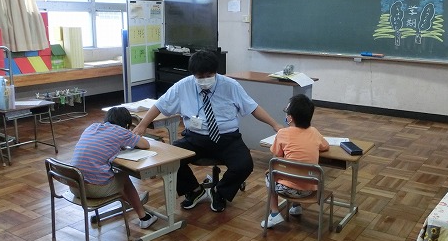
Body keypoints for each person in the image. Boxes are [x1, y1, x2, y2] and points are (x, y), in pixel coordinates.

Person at [134, 49, 282, 212]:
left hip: (228, 139)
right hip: (194, 138)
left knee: (244, 164)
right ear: (193, 74)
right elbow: (160, 105)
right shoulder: (183, 86)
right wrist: (142, 125)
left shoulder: (231, 85)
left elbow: (253, 108)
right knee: (171, 159)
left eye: (209, 75)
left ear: (215, 72)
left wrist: (275, 125)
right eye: (200, 76)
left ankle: (220, 192)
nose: (204, 80)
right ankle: (194, 191)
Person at [71, 106, 156, 228]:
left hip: (75, 186)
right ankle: (144, 217)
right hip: (94, 190)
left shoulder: (92, 127)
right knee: (124, 177)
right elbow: (145, 145)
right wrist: (131, 134)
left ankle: (133, 202)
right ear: (127, 125)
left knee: (113, 175)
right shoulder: (121, 131)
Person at [261, 94, 329, 228]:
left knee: (270, 174)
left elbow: (276, 157)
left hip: (287, 189)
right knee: (299, 170)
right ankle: (296, 207)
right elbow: (325, 146)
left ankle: (274, 214)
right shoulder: (314, 132)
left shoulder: (282, 133)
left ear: (290, 118)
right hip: (310, 189)